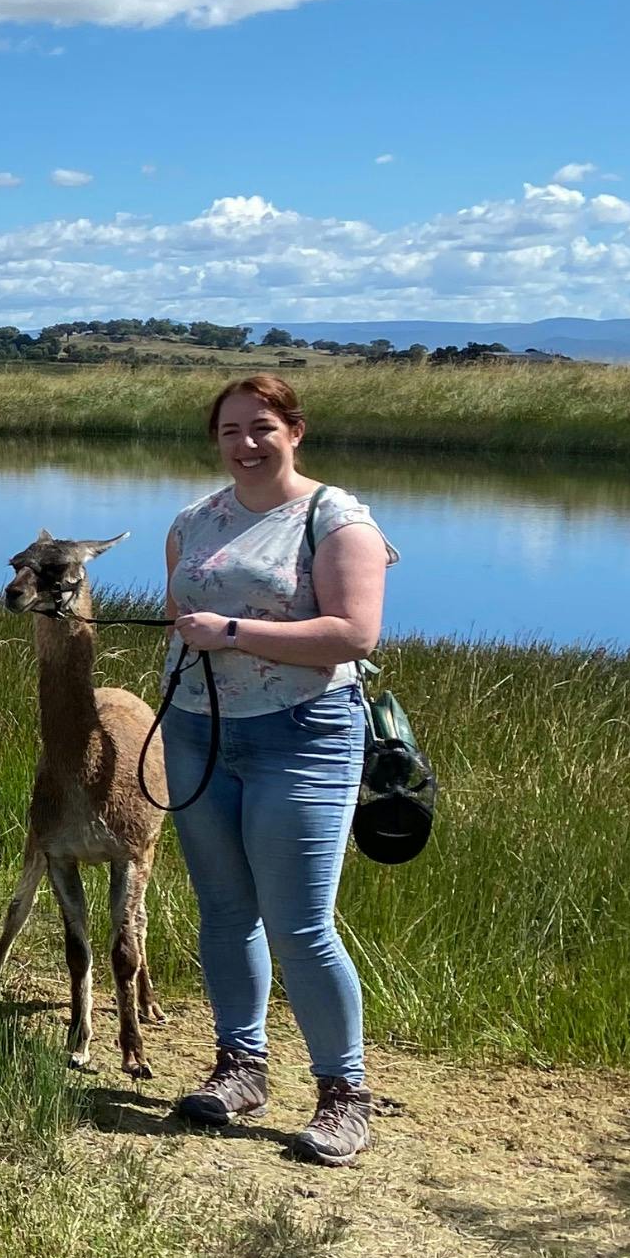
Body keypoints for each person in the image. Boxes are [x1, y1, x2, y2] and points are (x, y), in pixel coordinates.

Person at [162, 373, 392, 1167]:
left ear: (295, 430)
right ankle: (241, 1067)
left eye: (261, 427)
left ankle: (344, 1094)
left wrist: (230, 630)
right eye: (230, 430)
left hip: (304, 735)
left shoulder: (337, 518)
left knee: (300, 924)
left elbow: (355, 635)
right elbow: (177, 612)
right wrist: (201, 637)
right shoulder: (195, 519)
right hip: (197, 733)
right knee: (225, 911)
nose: (246, 443)